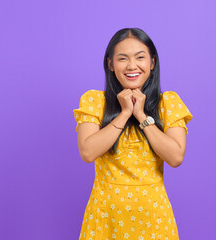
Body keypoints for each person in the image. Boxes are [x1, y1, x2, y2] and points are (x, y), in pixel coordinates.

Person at [73, 27, 193, 240]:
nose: (132, 66)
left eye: (140, 57)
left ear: (152, 62)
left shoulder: (168, 103)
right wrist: (124, 112)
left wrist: (140, 115)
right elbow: (87, 152)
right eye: (122, 58)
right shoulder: (94, 102)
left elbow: (175, 157)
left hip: (153, 219)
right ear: (110, 64)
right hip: (105, 218)